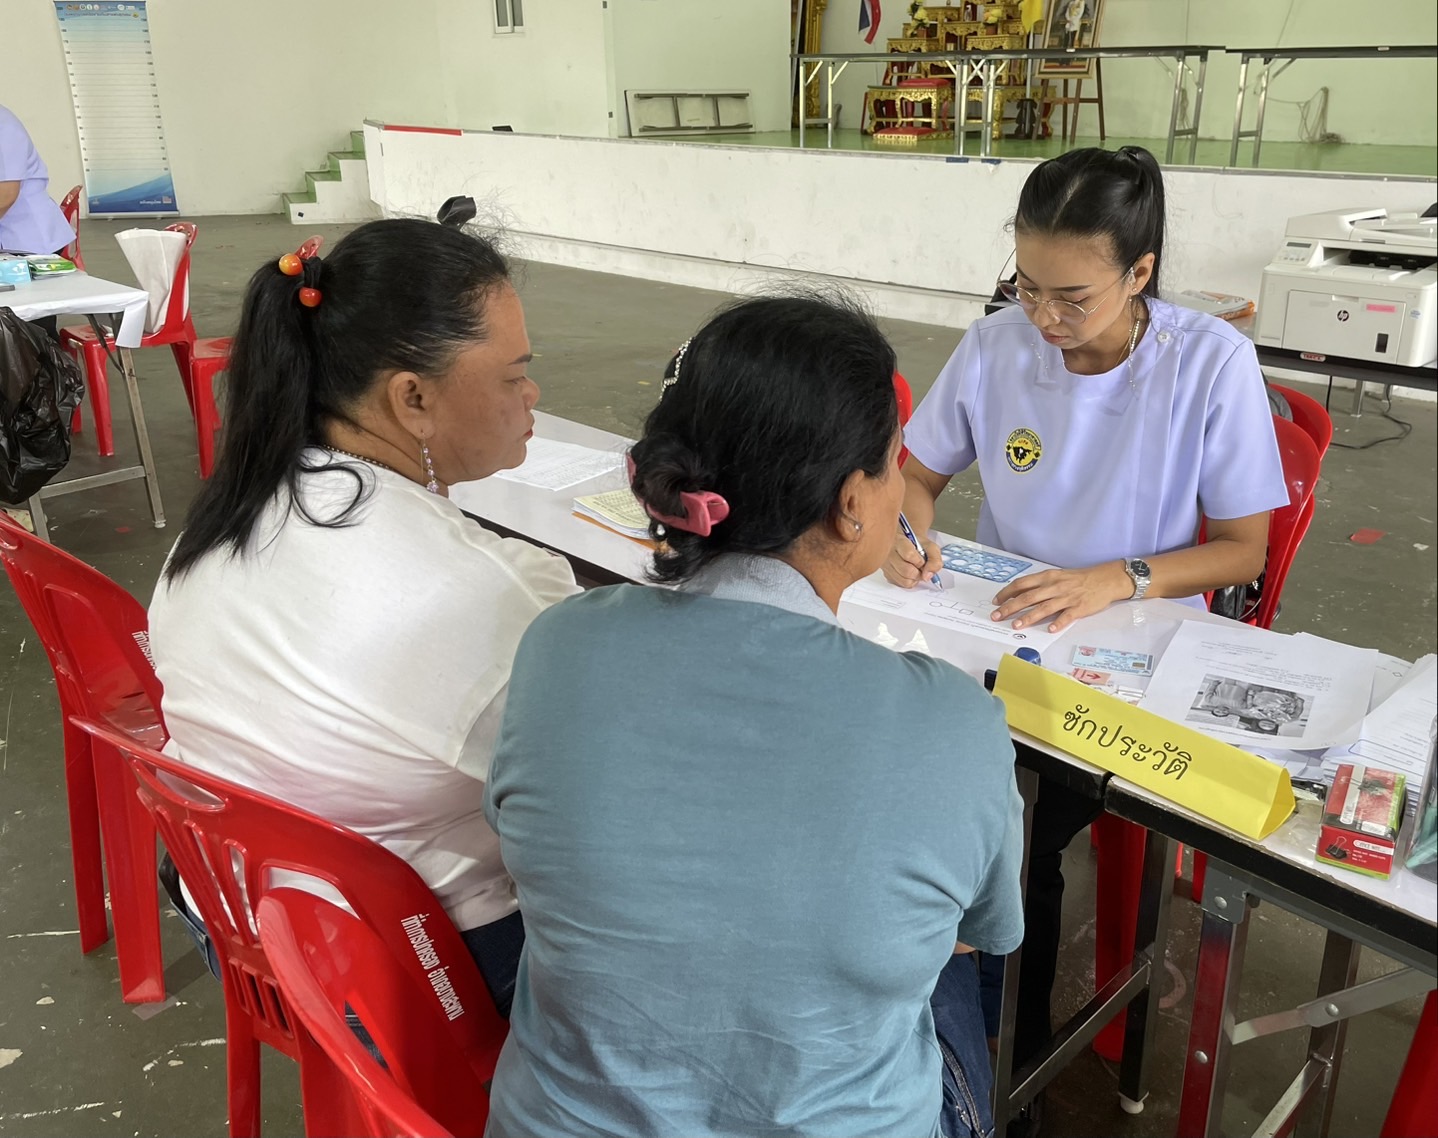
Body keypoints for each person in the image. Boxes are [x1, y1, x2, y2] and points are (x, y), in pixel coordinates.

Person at [484, 294, 1025, 1138]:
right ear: (853, 502)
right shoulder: (955, 725)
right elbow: (984, 929)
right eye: (894, 463)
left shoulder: (558, 645)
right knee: (945, 975)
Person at [885, 145, 1288, 1114]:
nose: (1045, 319)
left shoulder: (1207, 363)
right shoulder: (997, 347)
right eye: (1026, 287)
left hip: (1133, 648)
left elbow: (1242, 549)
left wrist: (1120, 577)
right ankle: (928, 1021)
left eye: (1072, 297)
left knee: (1013, 826)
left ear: (1139, 272)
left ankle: (1002, 1066)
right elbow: (918, 473)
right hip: (1000, 628)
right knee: (905, 773)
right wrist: (910, 530)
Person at [148, 217, 578, 1017]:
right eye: (515, 374)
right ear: (412, 398)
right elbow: (603, 795)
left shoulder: (231, 512)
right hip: (395, 978)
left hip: (231, 915)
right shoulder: (485, 597)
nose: (532, 396)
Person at [1, 105, 76, 340]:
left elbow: (6, 195)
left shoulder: (3, 125)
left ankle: (46, 364)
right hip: (9, 239)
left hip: (28, 243)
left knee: (32, 330)